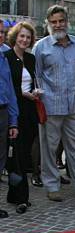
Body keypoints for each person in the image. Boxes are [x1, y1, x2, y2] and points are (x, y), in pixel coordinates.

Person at [33, 5, 75, 202]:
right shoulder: (41, 47)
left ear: (67, 22)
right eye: (54, 22)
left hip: (74, 105)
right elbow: (36, 77)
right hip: (50, 105)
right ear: (48, 24)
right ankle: (52, 185)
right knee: (49, 148)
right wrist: (39, 101)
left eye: (61, 21)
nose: (58, 25)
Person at [4, 22, 39, 214]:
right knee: (16, 155)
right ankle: (21, 197)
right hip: (14, 110)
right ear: (15, 37)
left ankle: (13, 193)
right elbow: (7, 87)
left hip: (30, 111)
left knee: (23, 152)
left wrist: (35, 92)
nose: (24, 40)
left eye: (28, 37)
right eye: (21, 36)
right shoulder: (6, 58)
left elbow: (34, 80)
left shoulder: (31, 59)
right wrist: (22, 93)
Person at [0, 50, 18, 217]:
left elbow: (10, 91)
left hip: (3, 113)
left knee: (1, 159)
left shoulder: (3, 58)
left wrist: (13, 121)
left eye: (2, 32)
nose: (0, 35)